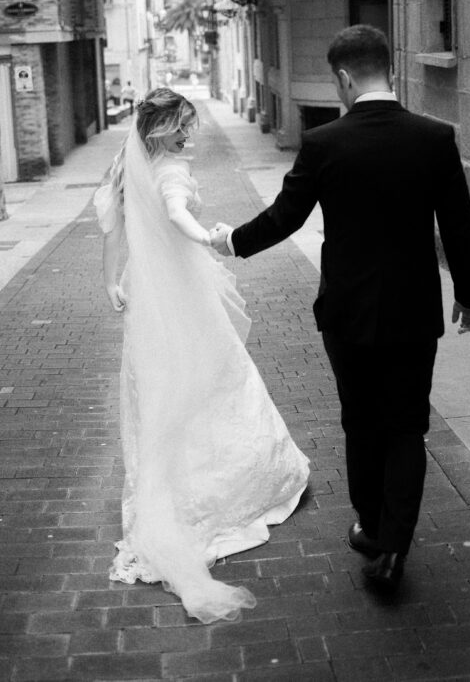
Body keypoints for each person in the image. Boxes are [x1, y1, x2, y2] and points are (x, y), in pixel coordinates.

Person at [210, 25, 470, 593]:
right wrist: (469, 296)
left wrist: (230, 241)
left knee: (361, 421)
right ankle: (393, 549)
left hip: (348, 313)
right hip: (412, 312)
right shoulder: (433, 138)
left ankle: (372, 525)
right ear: (390, 67)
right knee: (407, 427)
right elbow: (457, 224)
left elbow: (284, 217)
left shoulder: (325, 143)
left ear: (342, 78)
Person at [93, 87, 309, 623]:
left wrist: (110, 282)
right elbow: (175, 216)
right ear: (164, 128)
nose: (192, 134)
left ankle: (168, 474)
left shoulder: (128, 163)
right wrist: (214, 238)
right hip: (182, 290)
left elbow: (113, 227)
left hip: (148, 290)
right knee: (214, 375)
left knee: (163, 381)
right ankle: (220, 488)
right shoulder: (166, 171)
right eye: (185, 126)